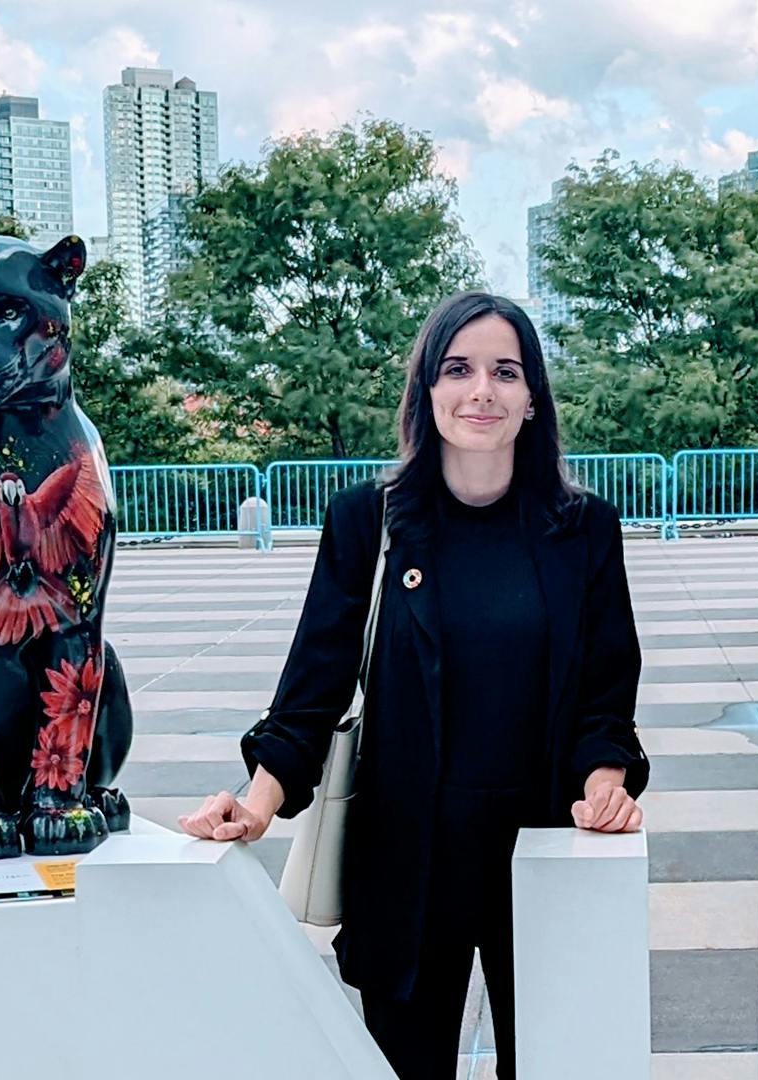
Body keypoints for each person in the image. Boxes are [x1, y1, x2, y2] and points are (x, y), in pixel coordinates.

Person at [179, 291, 649, 1080]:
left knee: (551, 1062)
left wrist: (605, 784)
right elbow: (314, 684)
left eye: (506, 372)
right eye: (459, 369)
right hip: (406, 860)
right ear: (427, 389)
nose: (482, 392)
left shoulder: (583, 530)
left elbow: (607, 686)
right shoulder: (371, 521)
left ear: (532, 398)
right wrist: (255, 802)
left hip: (542, 849)